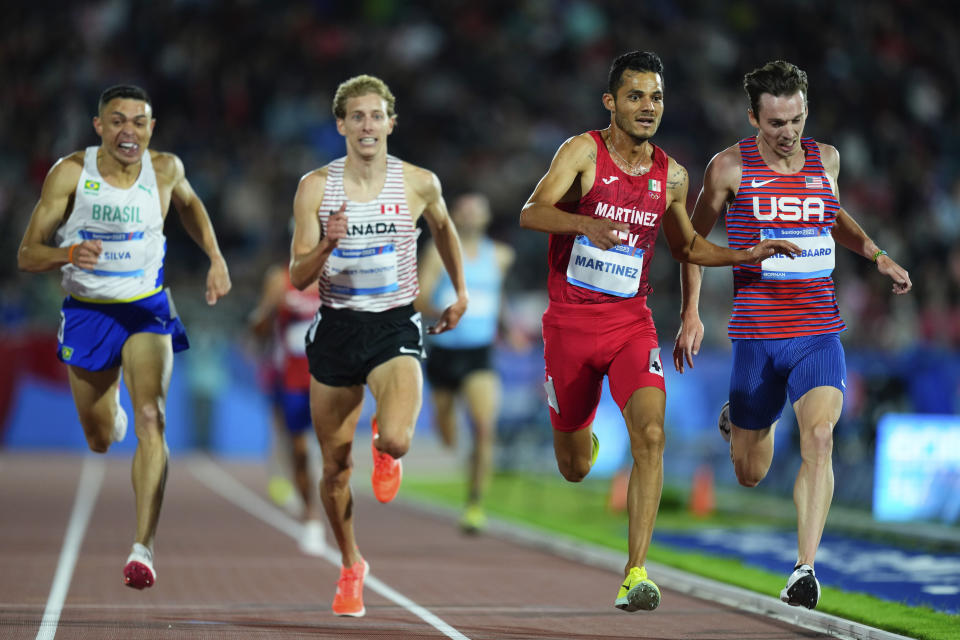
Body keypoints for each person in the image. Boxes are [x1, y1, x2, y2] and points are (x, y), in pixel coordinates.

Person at [519, 50, 802, 613]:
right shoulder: (581, 152)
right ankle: (582, 441)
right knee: (574, 467)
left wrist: (745, 252)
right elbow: (531, 212)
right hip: (571, 326)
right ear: (611, 102)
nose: (648, 108)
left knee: (650, 435)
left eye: (656, 97)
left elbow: (687, 248)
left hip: (631, 324)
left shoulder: (672, 175)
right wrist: (584, 222)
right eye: (635, 96)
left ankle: (636, 573)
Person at [672, 60, 912, 610]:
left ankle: (804, 570)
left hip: (817, 331)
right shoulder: (729, 168)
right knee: (751, 473)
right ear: (753, 115)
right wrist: (691, 312)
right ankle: (739, 421)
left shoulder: (825, 159)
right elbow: (689, 242)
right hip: (757, 335)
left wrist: (876, 254)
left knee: (821, 437)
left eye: (797, 119)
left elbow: (834, 215)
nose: (789, 134)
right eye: (776, 123)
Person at [16, 84, 231, 589]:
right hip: (89, 312)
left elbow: (191, 207)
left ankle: (143, 549)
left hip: (147, 308)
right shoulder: (71, 172)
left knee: (152, 417)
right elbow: (27, 253)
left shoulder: (166, 169)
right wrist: (68, 255)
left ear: (151, 128)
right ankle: (109, 408)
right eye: (117, 121)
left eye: (138, 121)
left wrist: (216, 258)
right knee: (98, 438)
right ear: (99, 127)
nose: (127, 131)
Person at [289, 74, 468, 617]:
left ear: (392, 122)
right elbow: (297, 275)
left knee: (397, 439)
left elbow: (444, 229)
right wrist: (328, 242)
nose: (367, 126)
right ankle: (351, 565)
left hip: (394, 324)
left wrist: (458, 292)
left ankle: (384, 444)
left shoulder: (417, 182)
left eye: (376, 116)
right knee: (335, 470)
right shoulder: (315, 187)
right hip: (338, 329)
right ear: (341, 125)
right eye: (357, 117)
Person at [417, 193, 515, 534]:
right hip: (444, 351)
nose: (470, 215)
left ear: (486, 217)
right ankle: (447, 427)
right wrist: (443, 312)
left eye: (477, 210)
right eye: (464, 209)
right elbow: (419, 297)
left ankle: (474, 505)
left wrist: (507, 328)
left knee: (484, 427)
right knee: (447, 434)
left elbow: (496, 296)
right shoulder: (437, 251)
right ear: (455, 216)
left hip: (479, 352)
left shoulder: (501, 256)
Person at [250, 263, 326, 555]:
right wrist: (271, 306)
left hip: (328, 376)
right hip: (291, 377)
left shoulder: (334, 271)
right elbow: (257, 328)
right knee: (298, 448)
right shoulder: (280, 278)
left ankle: (321, 505)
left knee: (330, 448)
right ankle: (310, 514)